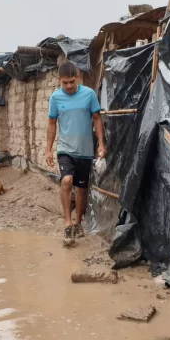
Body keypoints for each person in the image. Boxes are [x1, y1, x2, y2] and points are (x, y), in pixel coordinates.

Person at [46, 61, 106, 247]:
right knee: (66, 181)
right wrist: (48, 149)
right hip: (65, 148)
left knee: (81, 188)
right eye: (65, 83)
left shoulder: (88, 95)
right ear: (59, 81)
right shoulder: (55, 98)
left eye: (71, 81)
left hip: (85, 150)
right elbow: (51, 123)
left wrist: (101, 144)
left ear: (77, 77)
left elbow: (97, 119)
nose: (69, 86)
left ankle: (78, 223)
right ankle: (67, 224)